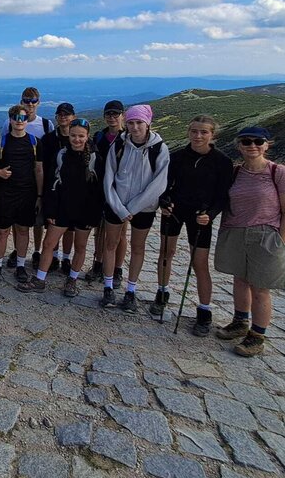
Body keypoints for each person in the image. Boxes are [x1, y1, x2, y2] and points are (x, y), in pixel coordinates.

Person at [214, 127, 285, 356]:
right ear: (239, 146)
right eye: (246, 142)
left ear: (266, 145)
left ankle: (257, 335)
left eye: (258, 141)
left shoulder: (279, 173)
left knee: (260, 288)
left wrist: (281, 241)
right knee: (240, 280)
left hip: (265, 234)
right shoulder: (235, 173)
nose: (252, 146)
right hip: (236, 231)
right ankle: (240, 321)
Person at [154, 115, 233, 333]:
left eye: (204, 132)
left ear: (212, 135)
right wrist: (164, 202)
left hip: (201, 216)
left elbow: (222, 196)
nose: (198, 136)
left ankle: (204, 311)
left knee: (199, 263)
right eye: (194, 131)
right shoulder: (177, 157)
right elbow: (165, 186)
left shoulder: (222, 162)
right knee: (165, 253)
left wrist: (211, 214)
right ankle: (162, 292)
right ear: (188, 132)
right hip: (174, 212)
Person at [18, 118, 101, 297]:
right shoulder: (61, 155)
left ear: (87, 136)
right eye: (73, 135)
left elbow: (98, 191)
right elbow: (52, 183)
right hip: (62, 208)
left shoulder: (95, 158)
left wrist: (94, 215)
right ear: (68, 135)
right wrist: (51, 209)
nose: (77, 139)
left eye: (81, 136)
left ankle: (72, 280)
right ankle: (40, 279)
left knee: (80, 246)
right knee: (49, 243)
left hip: (85, 211)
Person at [100, 104, 170, 313]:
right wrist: (120, 207)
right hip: (117, 205)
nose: (135, 127)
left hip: (143, 208)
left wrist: (132, 207)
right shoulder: (119, 144)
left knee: (138, 248)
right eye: (131, 122)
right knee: (110, 244)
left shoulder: (159, 148)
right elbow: (109, 176)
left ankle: (131, 290)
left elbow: (159, 184)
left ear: (148, 123)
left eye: (139, 122)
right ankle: (108, 287)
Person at [0, 105, 43, 283]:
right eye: (16, 118)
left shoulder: (35, 143)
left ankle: (20, 265)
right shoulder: (0, 142)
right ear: (10, 119)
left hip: (27, 193)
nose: (19, 121)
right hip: (4, 193)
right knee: (2, 230)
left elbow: (39, 170)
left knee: (23, 230)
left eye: (23, 118)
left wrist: (39, 196)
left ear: (27, 120)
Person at [2, 87, 53, 270]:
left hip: (37, 178)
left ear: (39, 102)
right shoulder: (9, 123)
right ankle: (18, 251)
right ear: (21, 102)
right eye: (26, 100)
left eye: (33, 101)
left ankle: (36, 252)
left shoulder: (46, 124)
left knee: (37, 220)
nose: (30, 104)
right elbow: (4, 147)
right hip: (17, 181)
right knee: (19, 222)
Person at [88, 100, 126, 288]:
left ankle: (117, 269)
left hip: (121, 190)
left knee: (120, 232)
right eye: (108, 114)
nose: (112, 117)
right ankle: (98, 263)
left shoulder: (127, 138)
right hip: (100, 187)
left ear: (122, 115)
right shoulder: (99, 136)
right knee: (99, 229)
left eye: (115, 114)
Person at [37, 103, 77, 274]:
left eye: (66, 114)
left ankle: (66, 258)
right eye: (60, 114)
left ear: (73, 117)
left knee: (70, 229)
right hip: (52, 189)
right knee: (52, 225)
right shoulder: (48, 139)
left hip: (73, 191)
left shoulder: (78, 138)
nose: (63, 117)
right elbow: (42, 166)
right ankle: (53, 256)